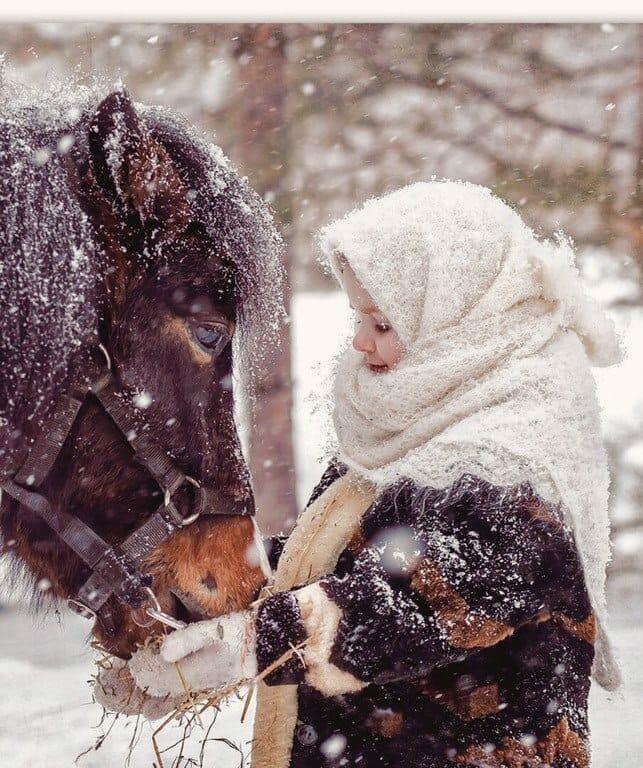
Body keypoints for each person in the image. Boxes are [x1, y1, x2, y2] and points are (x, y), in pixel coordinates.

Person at [104, 181, 623, 768]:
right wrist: (208, 606)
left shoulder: (516, 453)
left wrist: (257, 642)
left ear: (455, 318)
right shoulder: (409, 416)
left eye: (382, 322)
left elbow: (438, 603)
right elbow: (341, 560)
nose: (358, 339)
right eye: (358, 316)